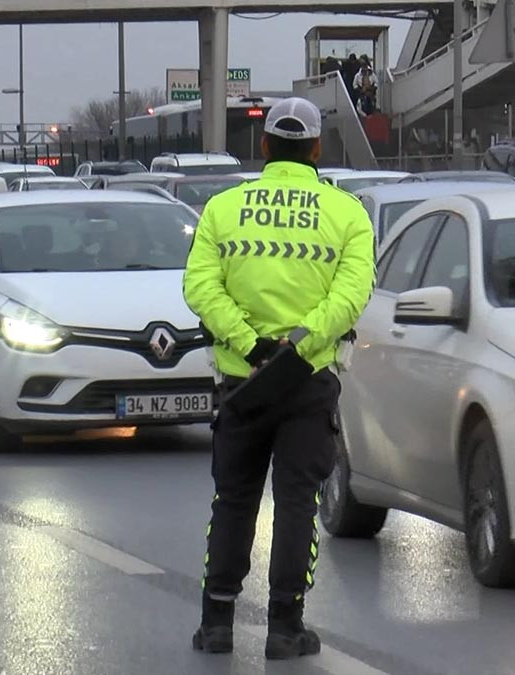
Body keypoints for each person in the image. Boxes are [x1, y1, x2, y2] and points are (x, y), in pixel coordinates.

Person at [183, 97, 375, 661]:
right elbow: (350, 298)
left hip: (242, 383)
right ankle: (285, 629)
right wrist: (299, 344)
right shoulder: (347, 214)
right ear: (317, 148)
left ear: (264, 146)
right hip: (308, 382)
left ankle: (216, 623)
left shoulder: (223, 207)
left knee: (235, 500)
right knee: (297, 504)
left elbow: (200, 288)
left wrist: (249, 343)